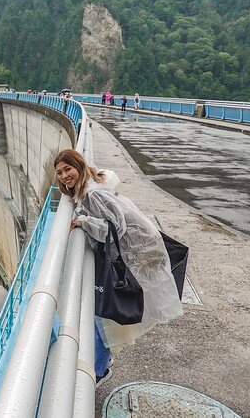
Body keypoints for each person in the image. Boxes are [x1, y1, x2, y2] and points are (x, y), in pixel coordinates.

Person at [53, 149, 183, 388]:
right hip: (141, 249)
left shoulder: (92, 195)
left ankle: (100, 371)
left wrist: (83, 221)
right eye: (59, 173)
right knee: (103, 316)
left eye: (67, 169)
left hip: (137, 254)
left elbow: (116, 227)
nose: (63, 176)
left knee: (101, 315)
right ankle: (104, 361)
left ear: (79, 166)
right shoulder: (92, 184)